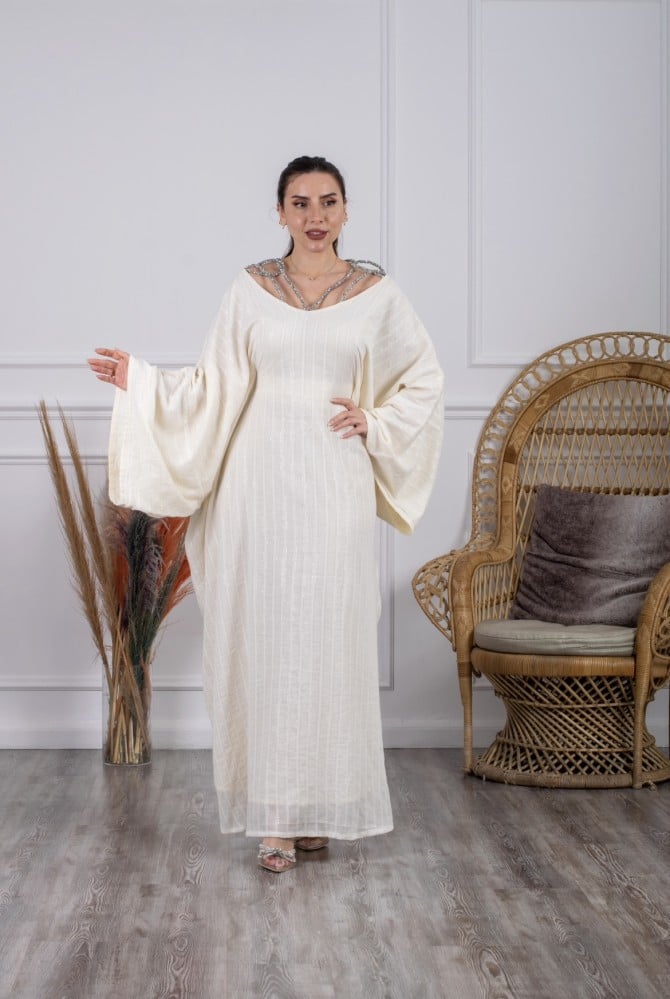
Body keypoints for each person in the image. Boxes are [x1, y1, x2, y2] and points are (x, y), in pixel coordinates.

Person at [88, 155, 444, 873]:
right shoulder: (249, 290)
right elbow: (211, 386)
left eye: (328, 201)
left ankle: (318, 807)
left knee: (329, 640)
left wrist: (374, 421)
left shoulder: (377, 296)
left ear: (346, 211)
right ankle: (277, 818)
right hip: (257, 489)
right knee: (271, 640)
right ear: (279, 212)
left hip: (334, 488)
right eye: (300, 202)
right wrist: (142, 382)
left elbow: (424, 381)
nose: (315, 216)